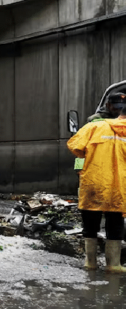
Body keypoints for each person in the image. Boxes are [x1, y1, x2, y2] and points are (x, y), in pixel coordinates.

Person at [67, 103, 126, 274]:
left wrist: (81, 168)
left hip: (94, 182)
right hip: (118, 187)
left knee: (90, 224)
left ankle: (90, 263)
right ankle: (113, 264)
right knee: (114, 225)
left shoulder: (93, 126)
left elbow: (77, 149)